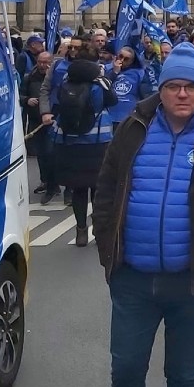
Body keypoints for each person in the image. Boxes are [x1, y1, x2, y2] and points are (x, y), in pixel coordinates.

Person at [92, 41, 194, 387]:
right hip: (132, 278)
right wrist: (108, 247)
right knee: (126, 371)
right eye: (173, 87)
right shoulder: (132, 128)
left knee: (183, 375)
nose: (182, 94)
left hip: (191, 280)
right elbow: (106, 191)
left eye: (191, 87)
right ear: (161, 90)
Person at [51, 42, 118, 246]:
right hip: (97, 142)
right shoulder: (100, 84)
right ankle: (98, 229)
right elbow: (113, 101)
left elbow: (56, 103)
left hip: (71, 142)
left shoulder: (65, 81)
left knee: (78, 189)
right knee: (98, 189)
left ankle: (81, 230)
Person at [21, 50, 57, 204]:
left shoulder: (56, 77)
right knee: (41, 154)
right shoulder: (29, 77)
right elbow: (20, 94)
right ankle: (45, 181)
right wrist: (27, 100)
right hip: (36, 121)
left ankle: (54, 184)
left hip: (53, 121)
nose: (43, 65)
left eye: (46, 62)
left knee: (51, 153)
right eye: (40, 62)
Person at [108, 47, 153, 127]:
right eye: (120, 56)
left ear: (132, 61)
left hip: (129, 117)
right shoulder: (107, 69)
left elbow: (146, 96)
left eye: (126, 59)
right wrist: (114, 72)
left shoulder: (140, 73)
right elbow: (103, 87)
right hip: (109, 117)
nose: (121, 60)